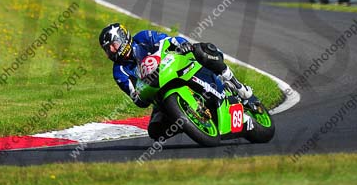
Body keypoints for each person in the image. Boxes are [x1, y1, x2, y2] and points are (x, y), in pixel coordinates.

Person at [98, 22, 262, 141]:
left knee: (204, 51)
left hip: (176, 66)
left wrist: (182, 45)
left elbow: (167, 40)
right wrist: (138, 96)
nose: (111, 51)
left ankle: (239, 87)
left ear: (123, 38)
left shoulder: (142, 37)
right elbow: (136, 98)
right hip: (158, 93)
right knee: (155, 131)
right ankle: (189, 121)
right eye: (107, 49)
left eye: (113, 45)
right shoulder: (119, 71)